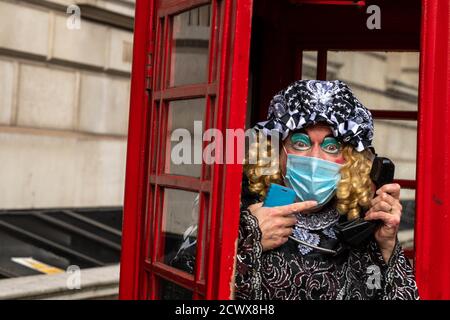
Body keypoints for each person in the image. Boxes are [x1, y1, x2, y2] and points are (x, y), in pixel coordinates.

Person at [235, 80, 419, 300]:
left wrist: (387, 246)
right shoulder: (242, 210)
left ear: (350, 160)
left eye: (331, 147)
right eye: (301, 143)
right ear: (277, 151)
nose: (315, 159)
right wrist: (248, 241)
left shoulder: (361, 224)